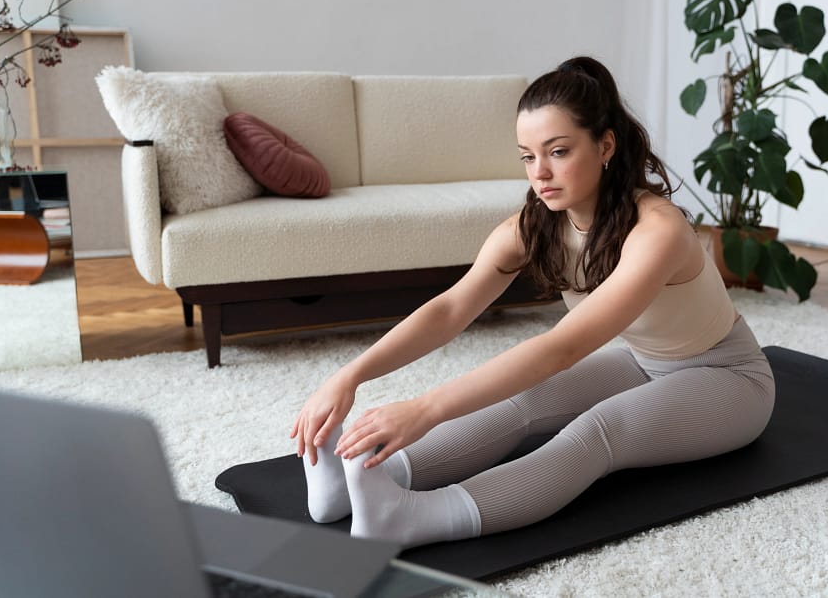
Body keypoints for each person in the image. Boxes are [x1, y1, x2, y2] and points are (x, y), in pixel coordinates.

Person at [290, 56, 775, 548]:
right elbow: (451, 308)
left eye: (558, 151)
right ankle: (365, 483)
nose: (540, 173)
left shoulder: (658, 231)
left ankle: (409, 518)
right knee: (520, 402)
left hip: (727, 376)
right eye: (527, 156)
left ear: (605, 145)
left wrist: (426, 408)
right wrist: (350, 375)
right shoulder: (536, 224)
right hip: (642, 361)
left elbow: (560, 349)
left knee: (597, 432)